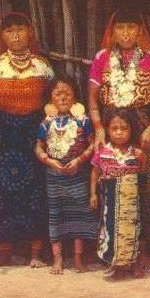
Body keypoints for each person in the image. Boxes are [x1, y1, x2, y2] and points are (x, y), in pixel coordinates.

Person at [88, 8, 150, 270]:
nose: (125, 33)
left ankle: (142, 250)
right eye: (120, 28)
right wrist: (99, 128)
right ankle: (113, 249)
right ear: (113, 32)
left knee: (143, 189)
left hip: (142, 128)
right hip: (113, 127)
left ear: (140, 31)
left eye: (131, 28)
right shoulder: (102, 58)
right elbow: (93, 98)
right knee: (110, 187)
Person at [0, 12, 54, 268]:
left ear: (30, 33)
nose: (15, 35)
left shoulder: (42, 66)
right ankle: (5, 250)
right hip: (4, 135)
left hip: (33, 134)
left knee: (36, 189)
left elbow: (50, 100)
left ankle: (36, 251)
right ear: (1, 36)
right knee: (4, 191)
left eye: (20, 30)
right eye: (9, 30)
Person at [35, 75, 97, 275]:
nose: (63, 97)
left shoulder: (83, 120)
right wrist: (49, 160)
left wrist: (79, 160)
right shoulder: (46, 123)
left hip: (78, 173)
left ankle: (78, 257)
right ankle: (58, 258)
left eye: (67, 93)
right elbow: (39, 148)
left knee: (79, 213)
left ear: (75, 97)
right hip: (54, 175)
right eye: (58, 93)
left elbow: (93, 144)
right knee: (56, 214)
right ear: (50, 98)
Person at [90, 108, 147, 279]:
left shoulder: (135, 152)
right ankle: (116, 264)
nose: (119, 133)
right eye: (114, 128)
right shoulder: (102, 152)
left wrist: (143, 157)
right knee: (111, 232)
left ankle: (135, 263)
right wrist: (93, 194)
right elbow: (94, 173)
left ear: (131, 130)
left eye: (124, 128)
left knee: (133, 231)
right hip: (111, 202)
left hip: (131, 202)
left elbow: (143, 171)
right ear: (107, 129)